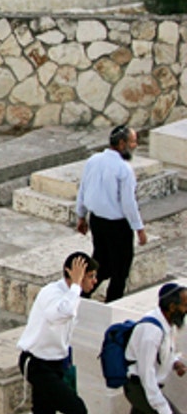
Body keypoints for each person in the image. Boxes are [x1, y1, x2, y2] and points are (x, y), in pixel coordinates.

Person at [16, 251, 98, 414]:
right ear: (73, 275)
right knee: (76, 411)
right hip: (37, 363)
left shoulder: (72, 296)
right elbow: (62, 313)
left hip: (56, 363)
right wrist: (76, 285)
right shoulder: (52, 293)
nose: (94, 281)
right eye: (90, 276)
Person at [75, 125, 147, 302]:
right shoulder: (124, 169)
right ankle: (112, 305)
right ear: (122, 144)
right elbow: (128, 203)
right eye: (132, 142)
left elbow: (83, 189)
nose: (135, 145)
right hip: (118, 226)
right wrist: (139, 228)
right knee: (120, 271)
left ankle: (82, 296)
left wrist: (81, 216)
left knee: (101, 262)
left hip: (97, 221)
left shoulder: (94, 160)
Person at [117, 283, 187, 414]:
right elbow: (145, 372)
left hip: (145, 386)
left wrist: (175, 362)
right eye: (185, 305)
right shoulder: (151, 331)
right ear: (172, 307)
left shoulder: (167, 324)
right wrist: (162, 408)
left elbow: (165, 351)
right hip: (139, 386)